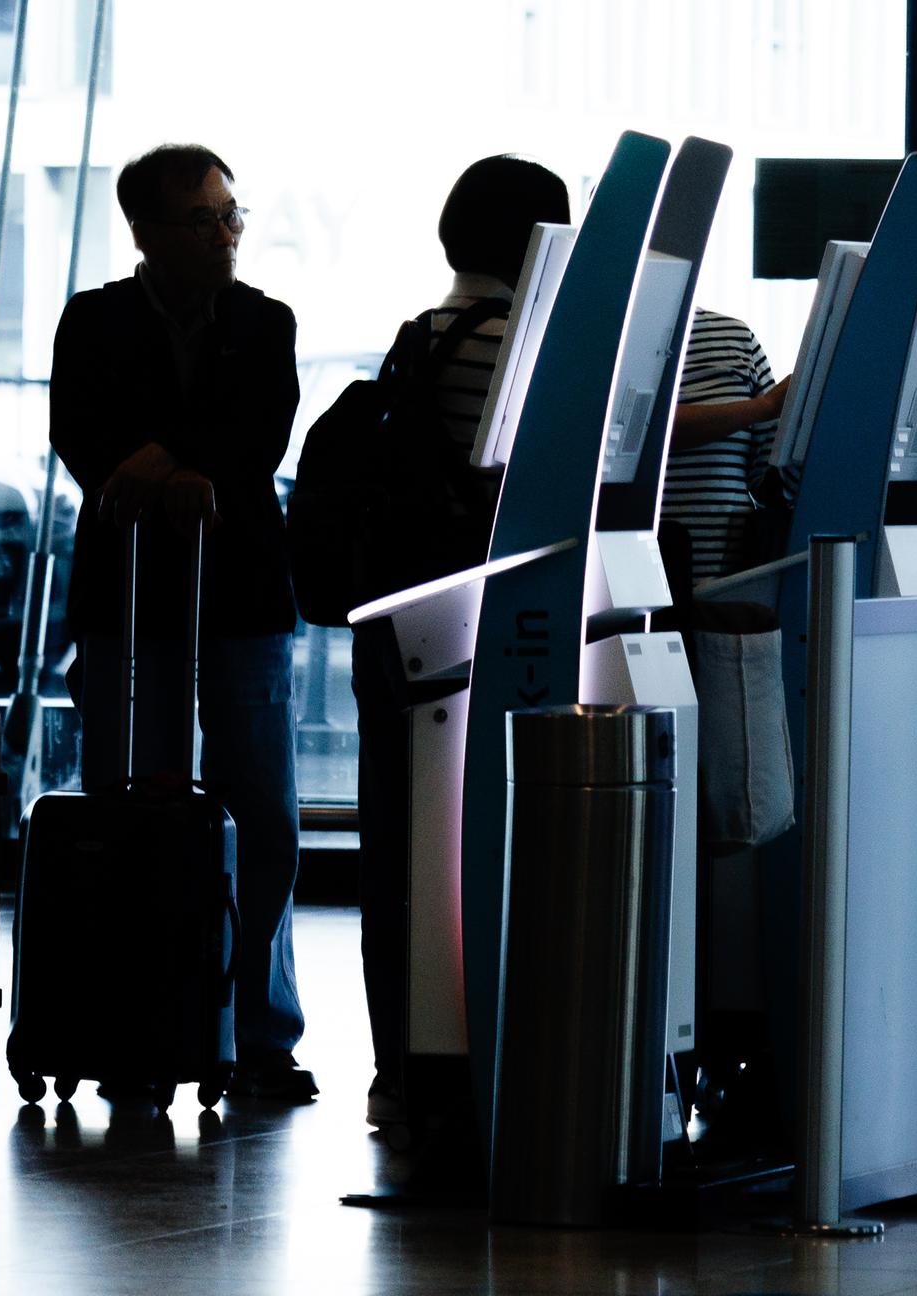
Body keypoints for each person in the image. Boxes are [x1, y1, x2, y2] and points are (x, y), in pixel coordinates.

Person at [50, 143, 316, 1102]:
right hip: (127, 589)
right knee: (130, 804)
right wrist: (165, 466)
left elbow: (259, 434)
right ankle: (137, 1025)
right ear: (147, 233)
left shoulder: (264, 322)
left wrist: (162, 455)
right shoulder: (93, 320)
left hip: (240, 592)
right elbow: (83, 437)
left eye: (231, 213)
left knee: (264, 815)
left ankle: (260, 1032)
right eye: (202, 219)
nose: (225, 234)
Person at [353, 156, 571, 1129]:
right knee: (453, 847)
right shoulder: (507, 345)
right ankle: (456, 1052)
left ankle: (400, 1063)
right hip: (468, 635)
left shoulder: (424, 335)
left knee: (396, 851)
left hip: (399, 628)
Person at [662, 308, 791, 584]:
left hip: (729, 583)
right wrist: (763, 407)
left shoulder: (738, 337)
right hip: (643, 584)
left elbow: (770, 474)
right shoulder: (615, 336)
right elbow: (650, 427)